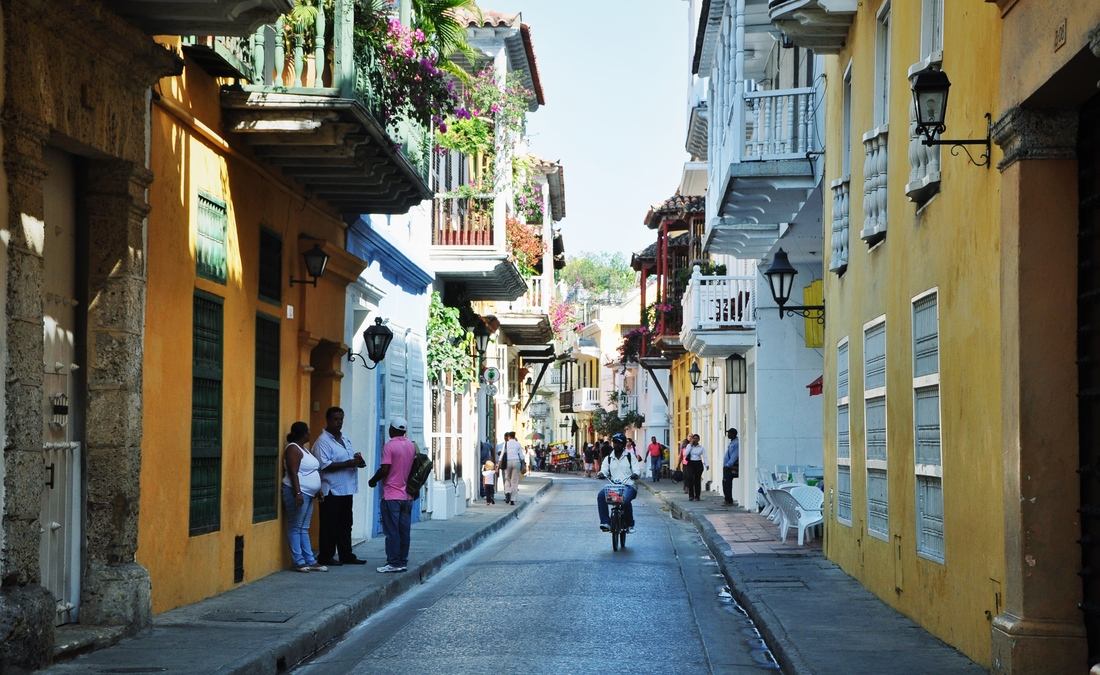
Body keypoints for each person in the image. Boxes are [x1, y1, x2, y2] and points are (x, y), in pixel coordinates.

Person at [313, 406, 367, 566]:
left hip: (347, 488)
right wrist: (348, 463)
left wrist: (358, 461)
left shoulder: (345, 439)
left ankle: (346, 554)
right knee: (330, 525)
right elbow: (324, 465)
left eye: (341, 419)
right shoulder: (322, 441)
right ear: (328, 420)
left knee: (345, 523)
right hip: (331, 490)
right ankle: (326, 555)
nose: (339, 422)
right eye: (335, 419)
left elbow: (349, 458)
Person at [367, 417, 415, 573]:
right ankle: (402, 560)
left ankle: (393, 562)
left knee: (392, 531)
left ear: (392, 430)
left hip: (392, 495)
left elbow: (385, 469)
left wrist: (373, 480)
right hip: (407, 495)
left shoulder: (389, 446)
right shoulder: (411, 445)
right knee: (404, 531)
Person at [282, 422, 327, 573]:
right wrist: (298, 492)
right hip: (298, 493)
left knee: (303, 528)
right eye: (307, 432)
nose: (309, 434)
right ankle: (299, 561)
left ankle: (310, 560)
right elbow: (293, 473)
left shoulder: (304, 450)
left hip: (309, 494)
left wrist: (318, 489)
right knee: (295, 526)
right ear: (302, 433)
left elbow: (312, 471)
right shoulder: (293, 449)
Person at [596, 433, 640, 533]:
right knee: (601, 496)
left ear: (623, 444)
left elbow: (637, 469)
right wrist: (601, 474)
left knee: (625, 500)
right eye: (615, 442)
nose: (616, 445)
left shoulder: (630, 456)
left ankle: (629, 524)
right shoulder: (609, 458)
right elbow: (604, 470)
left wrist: (636, 474)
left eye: (619, 443)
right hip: (614, 487)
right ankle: (605, 522)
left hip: (629, 485)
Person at [497, 431, 524, 505]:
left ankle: (507, 492)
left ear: (509, 436)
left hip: (508, 462)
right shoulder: (518, 444)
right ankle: (512, 500)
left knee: (507, 479)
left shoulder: (506, 444)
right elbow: (521, 456)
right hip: (516, 462)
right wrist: (524, 464)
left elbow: (502, 454)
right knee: (514, 481)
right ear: (514, 436)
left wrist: (498, 464)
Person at [684, 434, 708, 501]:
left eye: (696, 438)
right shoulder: (689, 446)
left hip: (698, 463)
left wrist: (707, 464)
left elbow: (705, 456)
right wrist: (690, 446)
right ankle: (691, 496)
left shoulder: (701, 447)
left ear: (699, 440)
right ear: (692, 439)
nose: (695, 439)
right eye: (694, 438)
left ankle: (697, 496)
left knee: (697, 480)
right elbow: (685, 454)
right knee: (690, 479)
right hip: (690, 463)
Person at [723, 428, 740, 506]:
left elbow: (735, 455)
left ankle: (729, 500)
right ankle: (727, 499)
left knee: (727, 483)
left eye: (729, 433)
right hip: (727, 466)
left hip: (730, 467)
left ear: (733, 434)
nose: (728, 435)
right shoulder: (732, 442)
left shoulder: (736, 443)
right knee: (725, 483)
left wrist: (728, 464)